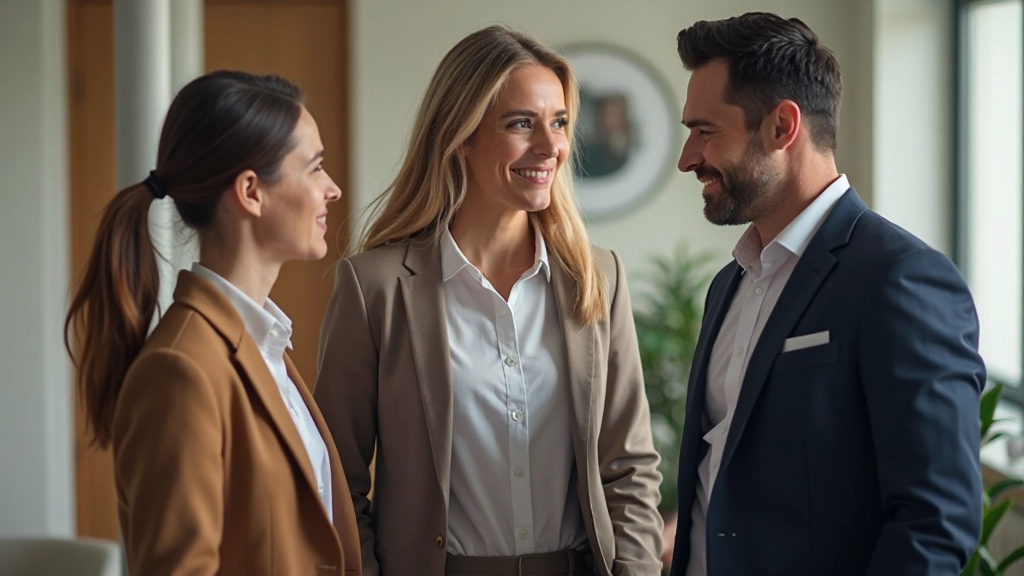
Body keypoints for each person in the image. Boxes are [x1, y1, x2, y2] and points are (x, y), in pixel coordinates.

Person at [314, 25, 663, 576]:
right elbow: (336, 480)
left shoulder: (597, 276)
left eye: (559, 123)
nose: (551, 147)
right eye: (522, 124)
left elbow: (629, 467)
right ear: (462, 135)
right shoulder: (375, 287)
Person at [668, 12, 985, 576]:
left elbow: (935, 523)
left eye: (705, 131)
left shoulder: (901, 278)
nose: (688, 158)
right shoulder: (730, 283)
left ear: (782, 127)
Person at [64, 70, 361, 575]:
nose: (331, 189)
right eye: (314, 168)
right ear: (250, 191)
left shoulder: (265, 349)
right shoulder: (181, 370)